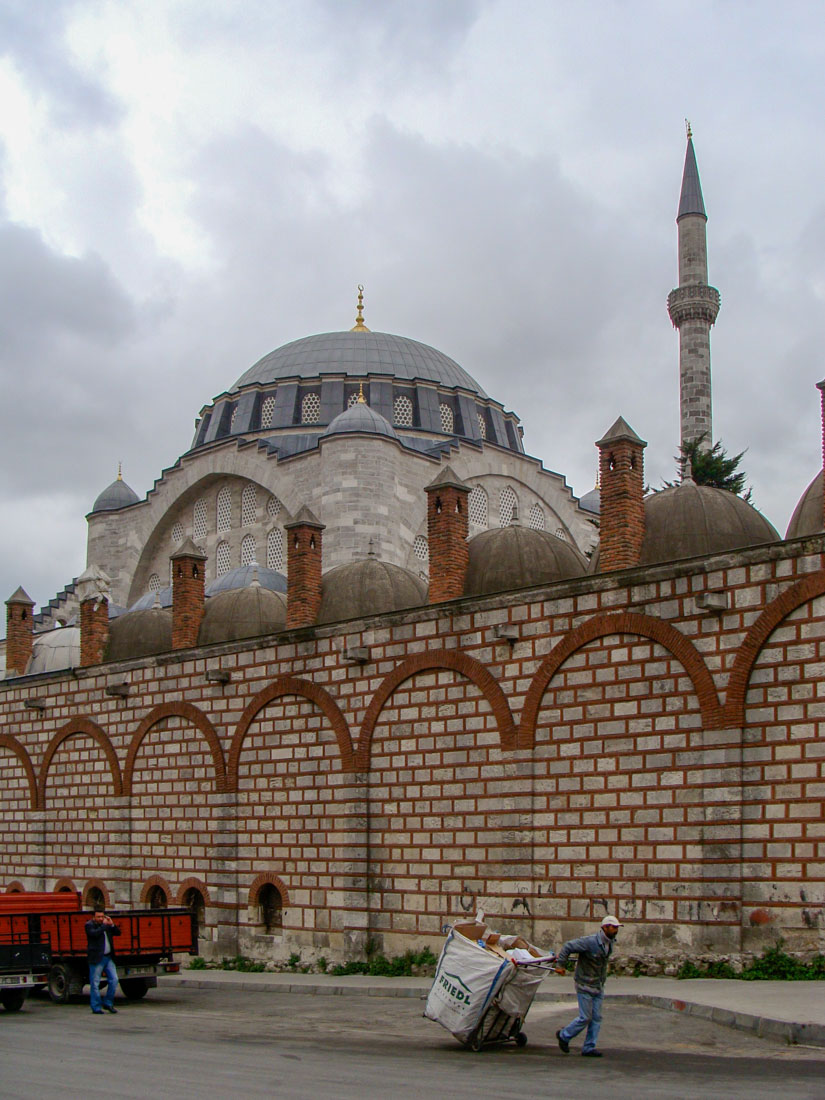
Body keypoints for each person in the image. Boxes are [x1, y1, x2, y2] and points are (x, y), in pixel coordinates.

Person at [553, 914, 622, 1057]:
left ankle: (589, 1047)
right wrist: (560, 965)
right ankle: (564, 1036)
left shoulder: (610, 942)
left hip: (598, 985)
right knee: (585, 1017)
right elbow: (567, 947)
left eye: (616, 927)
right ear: (604, 927)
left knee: (596, 1017)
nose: (616, 930)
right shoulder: (590, 942)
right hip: (584, 984)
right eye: (613, 927)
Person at [85, 908, 121, 1014]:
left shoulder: (106, 926)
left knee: (114, 980)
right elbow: (94, 934)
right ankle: (96, 1007)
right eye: (98, 917)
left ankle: (108, 1003)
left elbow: (118, 933)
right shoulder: (89, 925)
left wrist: (112, 924)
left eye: (102, 916)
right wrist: (104, 926)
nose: (100, 919)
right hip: (96, 958)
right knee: (95, 983)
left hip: (108, 957)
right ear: (94, 917)